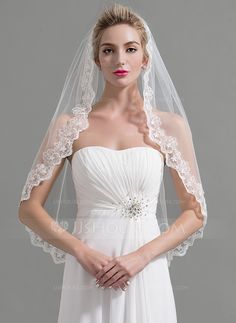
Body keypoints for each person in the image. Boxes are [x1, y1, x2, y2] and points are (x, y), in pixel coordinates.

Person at [18, 3, 207, 323]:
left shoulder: (169, 126)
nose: (120, 59)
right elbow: (28, 209)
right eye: (109, 50)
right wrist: (81, 252)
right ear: (97, 60)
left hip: (145, 268)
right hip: (90, 268)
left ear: (145, 59)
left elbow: (195, 211)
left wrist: (141, 257)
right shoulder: (69, 126)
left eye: (130, 49)